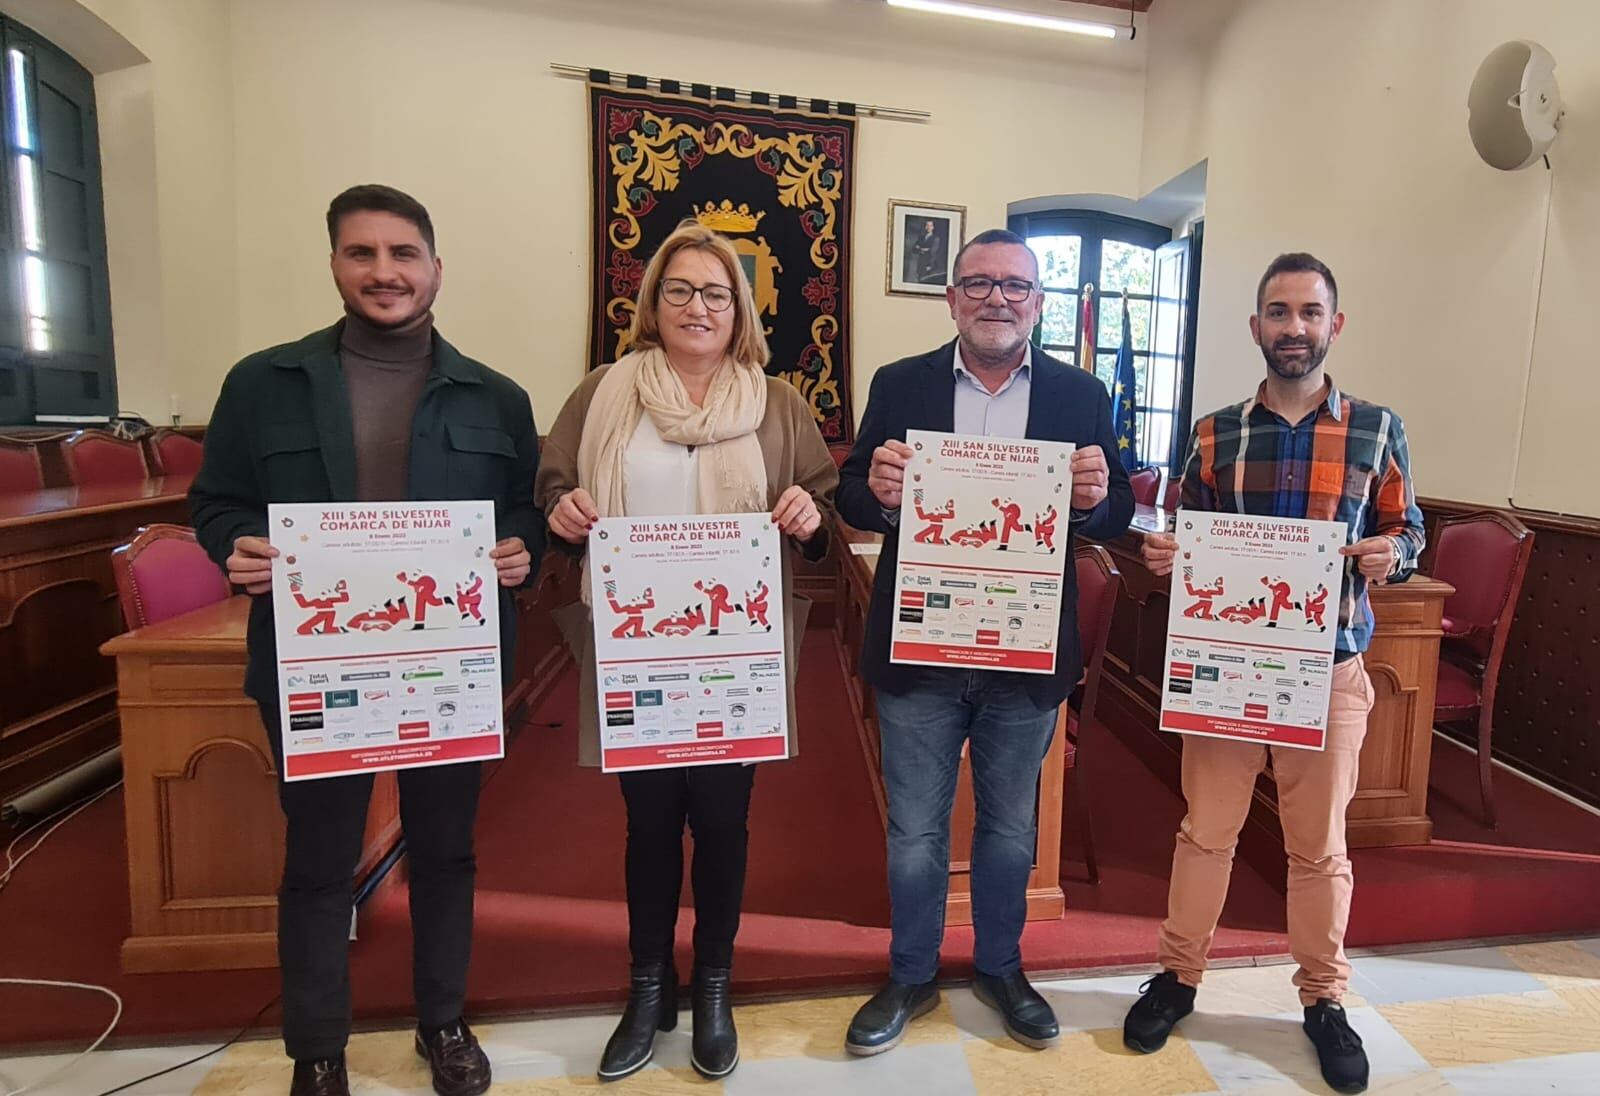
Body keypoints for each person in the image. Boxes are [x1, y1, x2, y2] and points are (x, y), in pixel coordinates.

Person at [189, 184, 543, 1096]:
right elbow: (216, 500)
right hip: (318, 665)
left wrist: (521, 552)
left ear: (434, 268)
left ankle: (444, 1023)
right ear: (337, 265)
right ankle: (317, 1048)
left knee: (445, 852)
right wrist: (236, 544)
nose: (384, 272)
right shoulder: (262, 383)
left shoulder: (496, 395)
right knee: (318, 860)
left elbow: (522, 517)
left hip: (449, 667)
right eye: (362, 253)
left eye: (402, 254)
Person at [535, 220, 838, 1083]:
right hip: (638, 650)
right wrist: (562, 511)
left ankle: (711, 984)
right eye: (679, 290)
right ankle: (645, 984)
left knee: (722, 822)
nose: (697, 306)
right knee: (649, 823)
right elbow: (554, 483)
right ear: (652, 305)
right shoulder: (605, 391)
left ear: (738, 309)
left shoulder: (777, 404)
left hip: (735, 656)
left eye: (715, 292)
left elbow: (819, 507)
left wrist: (810, 520)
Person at [1122, 253, 1425, 1095]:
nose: (1295, 327)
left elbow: (1410, 528)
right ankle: (1179, 977)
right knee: (1205, 833)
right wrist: (1167, 553)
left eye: (1310, 311)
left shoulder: (1376, 428)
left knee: (1319, 848)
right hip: (1229, 668)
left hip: (1328, 668)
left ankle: (1323, 999)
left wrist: (1390, 554)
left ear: (1335, 323)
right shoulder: (1215, 432)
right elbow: (1188, 533)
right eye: (1278, 312)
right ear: (1256, 326)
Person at [837, 228, 1134, 1056]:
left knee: (1009, 830)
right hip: (922, 646)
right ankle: (910, 973)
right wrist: (883, 492)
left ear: (1038, 302)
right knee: (916, 832)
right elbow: (854, 493)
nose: (997, 298)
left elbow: (1111, 514)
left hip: (1027, 651)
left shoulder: (1080, 393)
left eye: (1015, 285)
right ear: (951, 298)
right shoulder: (902, 384)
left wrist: (1095, 498)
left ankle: (1001, 966)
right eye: (978, 283)